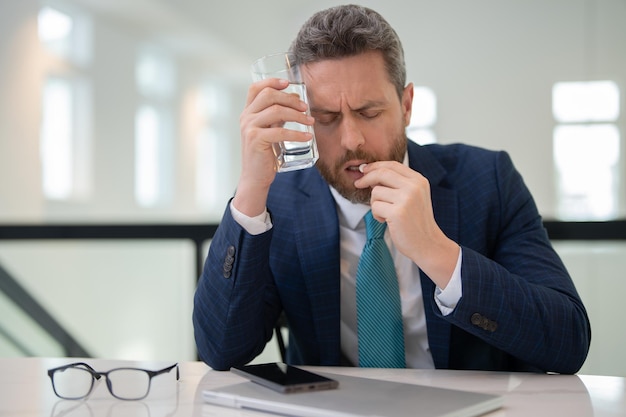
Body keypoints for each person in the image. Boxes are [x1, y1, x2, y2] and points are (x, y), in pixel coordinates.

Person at [193, 4, 591, 374]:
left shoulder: (488, 180)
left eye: (369, 113)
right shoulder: (278, 201)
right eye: (326, 117)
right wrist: (250, 189)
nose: (351, 139)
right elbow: (220, 349)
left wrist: (436, 250)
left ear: (406, 105)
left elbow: (568, 340)